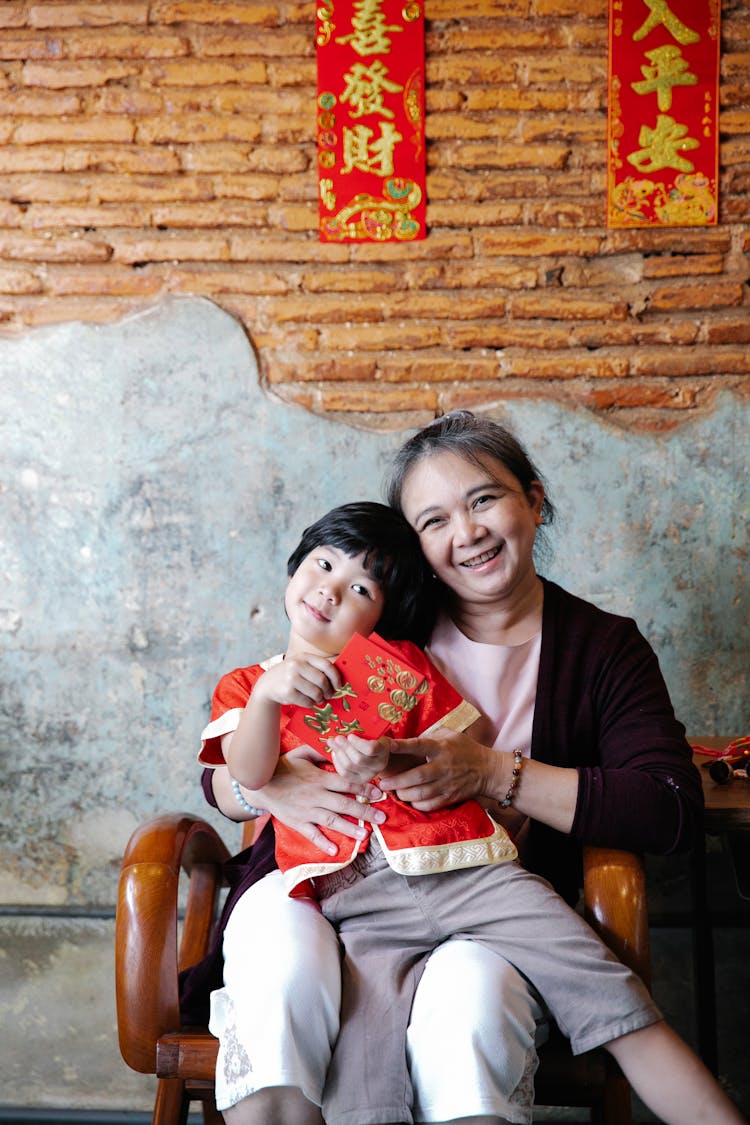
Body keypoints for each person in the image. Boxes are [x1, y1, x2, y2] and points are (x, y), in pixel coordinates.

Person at [180, 411, 737, 1125]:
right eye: (433, 520)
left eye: (483, 500)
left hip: (485, 888)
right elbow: (247, 742)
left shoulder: (603, 648)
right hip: (348, 891)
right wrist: (266, 785)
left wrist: (493, 773)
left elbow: (669, 809)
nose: (465, 533)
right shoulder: (384, 619)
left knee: (473, 1003)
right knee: (348, 1039)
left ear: (534, 500)